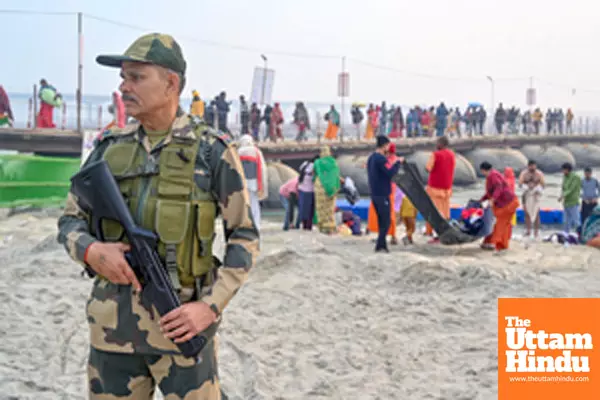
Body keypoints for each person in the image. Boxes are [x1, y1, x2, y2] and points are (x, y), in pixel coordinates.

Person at [56, 33, 259, 399]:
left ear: (171, 84)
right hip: (112, 334)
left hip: (182, 329)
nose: (124, 86)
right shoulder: (108, 148)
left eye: (136, 77)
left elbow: (244, 237)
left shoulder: (212, 152)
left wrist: (209, 308)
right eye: (123, 77)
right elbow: (70, 221)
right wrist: (90, 251)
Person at [367, 136, 403, 252]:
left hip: (374, 193)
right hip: (383, 193)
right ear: (385, 145)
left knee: (381, 220)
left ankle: (382, 245)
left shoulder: (371, 158)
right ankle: (380, 245)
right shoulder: (381, 159)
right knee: (386, 221)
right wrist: (398, 163)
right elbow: (391, 172)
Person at [479, 162, 520, 253]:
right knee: (503, 225)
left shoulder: (493, 176)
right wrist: (482, 199)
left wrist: (493, 199)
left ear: (483, 170)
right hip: (505, 203)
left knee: (500, 224)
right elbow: (491, 191)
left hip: (508, 204)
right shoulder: (493, 175)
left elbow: (498, 188)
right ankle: (498, 244)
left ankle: (495, 243)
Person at [424, 136, 456, 242]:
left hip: (435, 187)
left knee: (434, 212)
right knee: (445, 212)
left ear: (441, 144)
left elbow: (428, 168)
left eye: (437, 143)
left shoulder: (435, 155)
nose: (436, 145)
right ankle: (443, 231)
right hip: (447, 188)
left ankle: (436, 234)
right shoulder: (452, 155)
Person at [238, 134, 268, 230]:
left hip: (241, 183)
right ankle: (256, 225)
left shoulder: (238, 152)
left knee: (243, 205)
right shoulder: (256, 152)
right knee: (254, 204)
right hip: (254, 183)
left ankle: (244, 225)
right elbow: (262, 169)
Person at [313, 146, 341, 234]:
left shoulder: (317, 162)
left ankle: (321, 226)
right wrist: (336, 186)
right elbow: (336, 174)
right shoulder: (333, 162)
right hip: (331, 187)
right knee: (329, 208)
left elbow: (314, 174)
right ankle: (330, 227)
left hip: (320, 187)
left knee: (320, 207)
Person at [518, 160, 545, 239]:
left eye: (533, 166)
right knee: (526, 213)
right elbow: (520, 184)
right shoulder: (524, 173)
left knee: (536, 213)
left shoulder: (539, 174)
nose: (532, 167)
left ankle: (536, 232)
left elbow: (543, 185)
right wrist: (527, 186)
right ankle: (528, 230)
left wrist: (536, 187)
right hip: (526, 194)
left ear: (535, 166)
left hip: (535, 195)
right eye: (531, 166)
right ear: (528, 166)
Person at [559, 162, 582, 233]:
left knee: (576, 220)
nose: (562, 171)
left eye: (563, 170)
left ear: (567, 169)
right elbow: (563, 188)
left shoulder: (576, 177)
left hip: (573, 202)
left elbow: (571, 189)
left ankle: (579, 235)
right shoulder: (565, 177)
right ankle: (566, 235)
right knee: (566, 221)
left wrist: (563, 195)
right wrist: (562, 195)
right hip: (566, 202)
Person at [298, 155, 317, 230]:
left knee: (303, 208)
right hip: (310, 190)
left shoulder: (305, 163)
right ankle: (309, 226)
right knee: (310, 209)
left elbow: (300, 170)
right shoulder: (314, 166)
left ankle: (304, 225)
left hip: (301, 188)